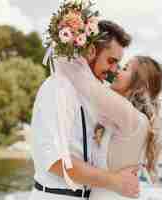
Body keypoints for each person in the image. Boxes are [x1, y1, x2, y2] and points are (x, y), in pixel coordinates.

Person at [28, 19, 141, 200]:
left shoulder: (91, 95)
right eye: (111, 61)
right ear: (91, 51)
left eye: (117, 64)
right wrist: (114, 181)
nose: (113, 70)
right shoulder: (59, 87)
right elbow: (55, 161)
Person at [87, 56, 162, 199]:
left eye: (125, 68)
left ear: (139, 86)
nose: (117, 70)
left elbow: (85, 83)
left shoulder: (132, 118)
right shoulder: (121, 118)